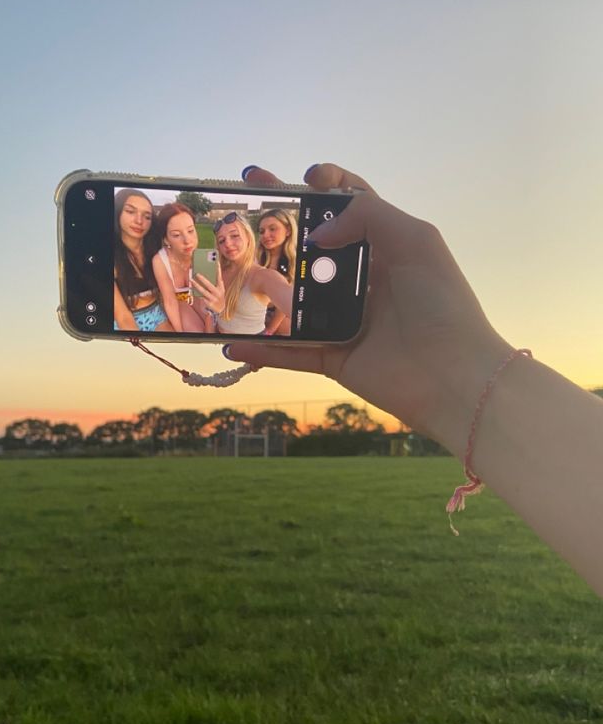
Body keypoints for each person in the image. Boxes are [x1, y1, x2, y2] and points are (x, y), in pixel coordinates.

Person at [225, 163, 603, 596]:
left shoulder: (268, 274)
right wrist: (460, 374)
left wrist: (459, 368)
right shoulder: (241, 272)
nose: (231, 242)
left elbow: (287, 306)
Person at [212, 211, 294, 335]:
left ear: (249, 238)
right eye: (222, 241)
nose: (228, 244)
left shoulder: (263, 276)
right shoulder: (217, 272)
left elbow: (292, 301)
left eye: (234, 236)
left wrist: (269, 331)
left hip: (250, 348)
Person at [113, 189, 179, 332]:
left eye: (147, 216)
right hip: (125, 322)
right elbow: (122, 316)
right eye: (130, 212)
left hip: (158, 316)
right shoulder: (111, 257)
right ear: (117, 212)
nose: (139, 221)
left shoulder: (156, 250)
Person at [153, 203, 224, 333]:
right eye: (176, 235)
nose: (187, 240)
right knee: (196, 331)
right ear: (166, 240)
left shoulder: (203, 259)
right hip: (176, 303)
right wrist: (180, 335)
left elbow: (209, 302)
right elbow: (170, 301)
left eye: (190, 231)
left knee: (217, 325)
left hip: (197, 300)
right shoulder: (160, 260)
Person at [256, 208, 297, 336]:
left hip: (280, 313)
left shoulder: (296, 262)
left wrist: (269, 331)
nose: (266, 235)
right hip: (255, 311)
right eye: (262, 231)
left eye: (272, 229)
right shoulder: (255, 257)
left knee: (286, 327)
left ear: (288, 231)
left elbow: (286, 304)